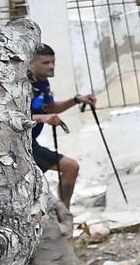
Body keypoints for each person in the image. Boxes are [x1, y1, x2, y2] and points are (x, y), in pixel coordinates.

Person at [27, 43, 95, 209]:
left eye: (53, 62)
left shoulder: (43, 84)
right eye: (45, 63)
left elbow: (50, 109)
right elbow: (13, 116)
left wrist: (76, 100)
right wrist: (43, 118)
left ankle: (64, 213)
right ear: (31, 64)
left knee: (71, 167)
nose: (51, 66)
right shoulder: (24, 85)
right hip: (23, 145)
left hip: (33, 144)